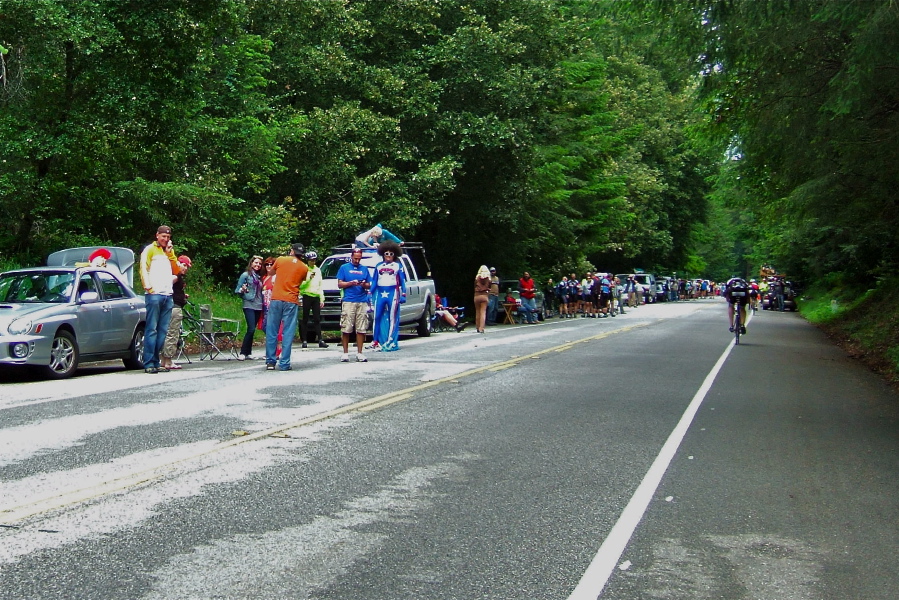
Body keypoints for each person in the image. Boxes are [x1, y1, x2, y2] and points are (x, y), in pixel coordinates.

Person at [139, 225, 180, 374]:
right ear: (157, 235)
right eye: (163, 236)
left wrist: (170, 254)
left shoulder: (168, 251)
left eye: (168, 237)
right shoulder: (149, 250)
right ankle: (149, 362)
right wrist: (149, 288)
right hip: (155, 294)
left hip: (167, 295)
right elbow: (143, 268)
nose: (165, 239)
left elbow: (177, 270)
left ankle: (156, 361)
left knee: (163, 331)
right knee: (152, 329)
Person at [265, 243, 308, 371]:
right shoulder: (304, 267)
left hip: (277, 298)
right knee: (288, 332)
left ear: (291, 251)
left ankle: (270, 361)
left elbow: (271, 272)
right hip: (291, 300)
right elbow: (301, 281)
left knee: (272, 330)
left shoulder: (281, 260)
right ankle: (284, 363)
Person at [371, 240, 406, 352]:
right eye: (386, 253)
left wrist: (403, 294)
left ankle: (390, 340)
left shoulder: (397, 266)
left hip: (393, 292)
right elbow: (374, 281)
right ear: (383, 254)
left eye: (391, 254)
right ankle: (375, 341)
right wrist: (370, 292)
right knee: (377, 316)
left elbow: (402, 281)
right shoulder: (378, 266)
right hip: (380, 292)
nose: (389, 256)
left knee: (392, 318)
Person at [337, 247, 371, 362]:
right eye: (355, 258)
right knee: (346, 326)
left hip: (362, 300)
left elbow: (369, 284)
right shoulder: (344, 268)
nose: (357, 260)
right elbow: (340, 284)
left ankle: (360, 353)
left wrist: (363, 284)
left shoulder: (364, 269)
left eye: (359, 258)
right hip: (349, 300)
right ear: (351, 257)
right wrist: (351, 283)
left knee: (361, 327)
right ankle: (345, 353)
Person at [161, 255, 191, 371]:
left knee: (166, 333)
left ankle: (163, 360)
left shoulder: (177, 275)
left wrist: (183, 296)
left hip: (171, 306)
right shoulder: (176, 275)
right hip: (175, 308)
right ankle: (168, 361)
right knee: (172, 334)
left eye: (187, 266)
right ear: (178, 263)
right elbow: (168, 282)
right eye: (184, 265)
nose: (185, 268)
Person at [235, 255, 265, 360]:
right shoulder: (245, 275)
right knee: (251, 328)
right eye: (256, 263)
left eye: (260, 263)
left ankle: (248, 352)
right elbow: (237, 290)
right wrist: (242, 290)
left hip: (259, 305)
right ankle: (243, 352)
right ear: (251, 263)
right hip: (249, 304)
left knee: (252, 329)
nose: (258, 265)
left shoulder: (260, 277)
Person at [299, 250, 329, 349]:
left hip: (316, 296)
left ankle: (320, 339)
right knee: (305, 318)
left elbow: (320, 284)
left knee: (317, 319)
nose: (313, 262)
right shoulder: (304, 269)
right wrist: (309, 278)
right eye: (311, 260)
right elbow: (300, 285)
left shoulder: (318, 270)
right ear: (307, 260)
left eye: (314, 260)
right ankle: (304, 340)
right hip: (306, 295)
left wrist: (322, 298)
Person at [260, 257, 279, 356]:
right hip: (264, 305)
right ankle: (273, 350)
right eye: (267, 264)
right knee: (266, 327)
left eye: (271, 264)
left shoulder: (275, 277)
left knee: (268, 327)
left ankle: (274, 351)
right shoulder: (264, 277)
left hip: (272, 305)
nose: (269, 266)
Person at [474, 265, 491, 333]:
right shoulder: (489, 279)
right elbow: (489, 287)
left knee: (477, 312)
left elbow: (475, 286)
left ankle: (477, 327)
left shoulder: (477, 278)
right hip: (484, 296)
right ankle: (481, 328)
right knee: (483, 312)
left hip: (477, 296)